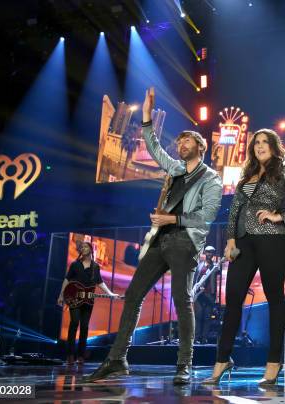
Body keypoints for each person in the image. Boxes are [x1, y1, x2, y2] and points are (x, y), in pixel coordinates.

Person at [86, 87, 223, 384]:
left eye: (187, 140)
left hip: (185, 242)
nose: (181, 144)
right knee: (133, 295)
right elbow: (154, 147)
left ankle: (184, 365)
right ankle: (117, 359)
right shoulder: (174, 169)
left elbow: (207, 215)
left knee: (182, 301)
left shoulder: (211, 178)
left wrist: (172, 217)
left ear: (200, 146)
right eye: (181, 141)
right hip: (160, 240)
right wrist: (147, 116)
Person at [203, 129, 285, 385]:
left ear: (274, 147)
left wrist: (279, 216)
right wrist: (230, 241)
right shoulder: (247, 177)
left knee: (274, 297)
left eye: (265, 142)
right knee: (233, 299)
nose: (260, 146)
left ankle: (273, 362)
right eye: (257, 143)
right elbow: (235, 212)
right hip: (243, 241)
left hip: (274, 238)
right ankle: (222, 360)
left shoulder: (284, 170)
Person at [57, 241, 118, 365]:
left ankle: (80, 356)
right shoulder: (75, 265)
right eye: (82, 247)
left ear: (90, 249)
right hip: (74, 298)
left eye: (86, 246)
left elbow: (100, 282)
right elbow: (67, 279)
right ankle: (70, 355)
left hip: (88, 300)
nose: (83, 248)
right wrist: (61, 295)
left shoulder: (95, 267)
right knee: (74, 323)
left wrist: (110, 293)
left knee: (84, 327)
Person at [194, 246, 218, 344]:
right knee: (198, 316)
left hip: (209, 295)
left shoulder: (215, 266)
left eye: (211, 252)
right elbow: (195, 279)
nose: (209, 254)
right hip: (199, 295)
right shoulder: (199, 266)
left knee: (207, 317)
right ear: (205, 253)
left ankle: (204, 338)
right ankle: (197, 337)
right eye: (208, 252)